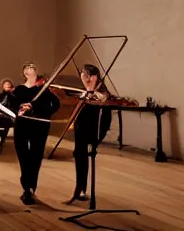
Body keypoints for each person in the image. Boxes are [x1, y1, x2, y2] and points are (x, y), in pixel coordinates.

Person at [12, 62, 61, 205]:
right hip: (22, 126)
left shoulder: (43, 90)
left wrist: (40, 111)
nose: (32, 68)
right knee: (23, 156)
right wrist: (21, 107)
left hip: (39, 127)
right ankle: (26, 185)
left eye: (34, 67)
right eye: (28, 67)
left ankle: (30, 189)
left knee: (36, 157)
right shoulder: (19, 90)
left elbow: (56, 105)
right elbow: (12, 106)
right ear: (25, 73)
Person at [67, 64, 112, 204]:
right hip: (81, 127)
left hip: (94, 128)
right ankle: (80, 187)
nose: (83, 78)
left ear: (94, 77)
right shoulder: (84, 91)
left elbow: (104, 102)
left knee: (85, 153)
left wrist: (92, 92)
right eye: (82, 75)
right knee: (79, 153)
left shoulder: (102, 92)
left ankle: (81, 189)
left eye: (85, 75)